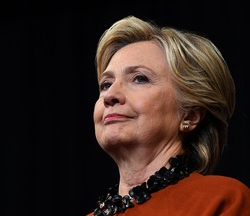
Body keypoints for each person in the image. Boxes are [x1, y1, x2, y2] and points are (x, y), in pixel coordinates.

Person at [86, 15, 250, 216]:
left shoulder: (223, 200)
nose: (110, 95)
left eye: (139, 78)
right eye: (106, 84)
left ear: (190, 114)